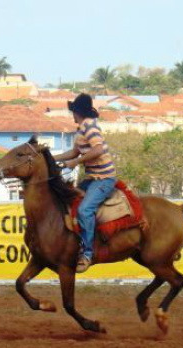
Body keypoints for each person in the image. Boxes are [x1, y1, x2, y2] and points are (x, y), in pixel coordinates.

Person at [54, 93, 116, 273]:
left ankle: (88, 253)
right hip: (91, 178)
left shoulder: (90, 128)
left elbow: (98, 149)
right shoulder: (81, 129)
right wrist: (53, 158)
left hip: (104, 179)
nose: (71, 114)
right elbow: (74, 153)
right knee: (70, 201)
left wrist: (77, 163)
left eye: (73, 111)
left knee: (84, 210)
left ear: (78, 112)